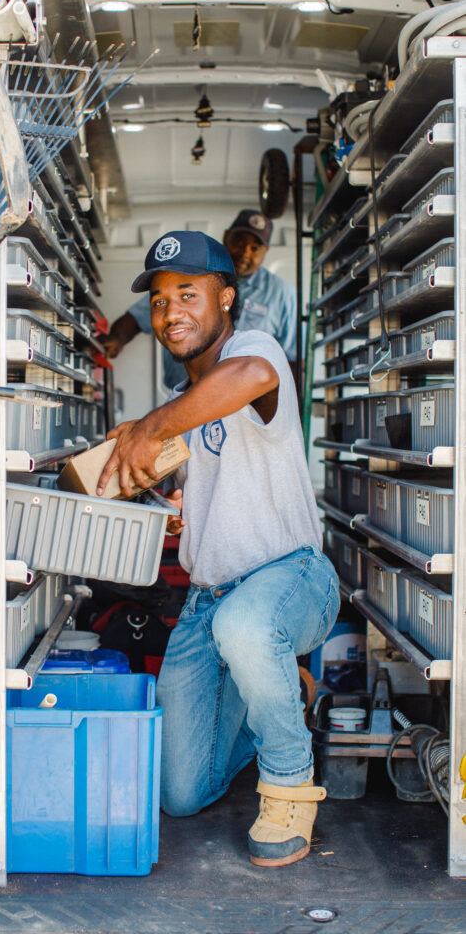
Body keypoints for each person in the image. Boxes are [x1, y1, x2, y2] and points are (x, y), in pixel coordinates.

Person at [95, 230, 339, 868]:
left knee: (248, 626)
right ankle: (284, 693)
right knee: (181, 792)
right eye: (158, 300)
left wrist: (147, 427)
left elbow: (250, 376)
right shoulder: (182, 406)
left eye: (188, 293)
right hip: (208, 606)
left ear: (226, 297)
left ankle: (290, 785)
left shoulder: (255, 353)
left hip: (292, 579)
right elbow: (184, 485)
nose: (170, 311)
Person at [101, 210, 297, 389]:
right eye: (239, 241)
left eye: (255, 248)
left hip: (246, 401)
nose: (245, 252)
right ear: (226, 237)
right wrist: (116, 339)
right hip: (181, 393)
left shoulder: (282, 294)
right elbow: (137, 317)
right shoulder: (190, 276)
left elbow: (293, 359)